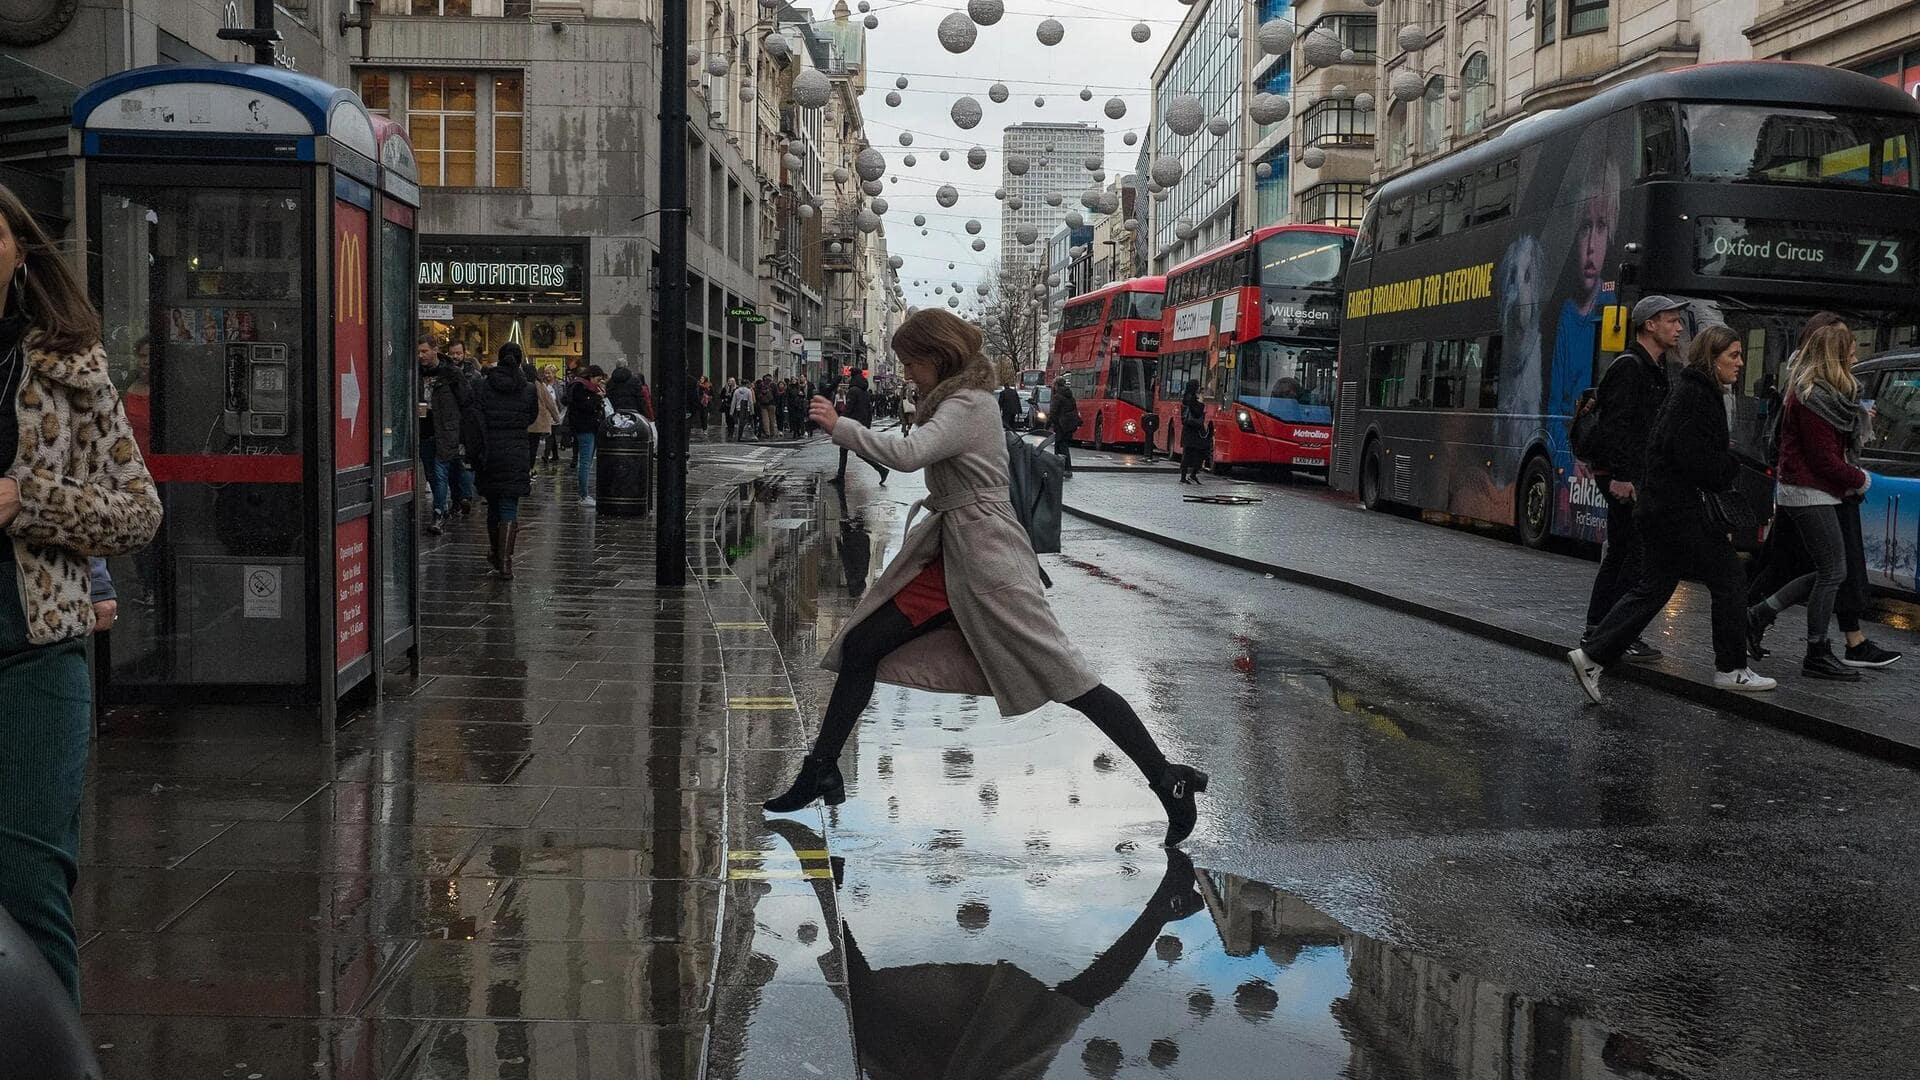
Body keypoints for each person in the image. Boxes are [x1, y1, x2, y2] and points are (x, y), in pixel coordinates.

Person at [765, 309, 1209, 847]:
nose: (907, 372)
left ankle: (1167, 778)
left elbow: (909, 455)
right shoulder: (956, 401)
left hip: (988, 558)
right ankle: (822, 768)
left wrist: (842, 426)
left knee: (1067, 678)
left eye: (912, 362)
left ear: (939, 357)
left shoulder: (967, 404)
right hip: (956, 554)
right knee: (861, 646)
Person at [0, 183, 163, 1003]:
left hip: (29, 657)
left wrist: (28, 501)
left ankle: (50, 1054)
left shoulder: (68, 369)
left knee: (27, 887)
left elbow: (139, 511)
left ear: (18, 253)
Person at [1570, 325, 1776, 702]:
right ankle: (1732, 668)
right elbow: (1692, 457)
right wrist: (1728, 467)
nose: (1740, 363)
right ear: (1712, 358)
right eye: (1733, 355)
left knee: (1653, 588)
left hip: (1661, 509)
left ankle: (1592, 655)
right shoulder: (1698, 395)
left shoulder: (1691, 389)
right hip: (1679, 512)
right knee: (1730, 578)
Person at [1745, 314, 1901, 670]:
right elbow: (1822, 457)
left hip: (1820, 491)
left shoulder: (1830, 394)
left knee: (1824, 570)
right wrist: (1860, 479)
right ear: (1834, 353)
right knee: (1828, 571)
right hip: (1811, 492)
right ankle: (1814, 649)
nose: (1856, 357)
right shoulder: (1812, 396)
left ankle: (1758, 616)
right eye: (1850, 350)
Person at [1580, 296, 1686, 663]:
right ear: (1649, 325)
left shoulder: (1656, 367)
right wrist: (1622, 477)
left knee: (1624, 551)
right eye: (1671, 320)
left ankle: (1600, 628)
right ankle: (1614, 633)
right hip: (1622, 477)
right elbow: (1617, 428)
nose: (1679, 327)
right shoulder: (1630, 366)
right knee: (1635, 555)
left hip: (1633, 475)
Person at [467, 344, 538, 578]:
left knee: (493, 503)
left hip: (489, 451)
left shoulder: (483, 385)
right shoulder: (528, 389)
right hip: (517, 452)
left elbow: (474, 415)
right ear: (519, 360)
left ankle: (496, 553)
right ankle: (506, 561)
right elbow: (531, 417)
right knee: (509, 504)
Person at [418, 335, 471, 536]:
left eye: (424, 351)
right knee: (432, 475)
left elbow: (466, 402)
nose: (421, 355)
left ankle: (439, 513)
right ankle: (453, 502)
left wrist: (463, 434)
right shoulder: (415, 373)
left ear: (435, 350)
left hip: (447, 432)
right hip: (424, 431)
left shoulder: (451, 373)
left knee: (440, 473)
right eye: (418, 352)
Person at [833, 370, 891, 486]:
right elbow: (869, 410)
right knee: (846, 449)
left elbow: (848, 408)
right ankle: (840, 476)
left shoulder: (853, 391)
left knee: (854, 451)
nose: (848, 379)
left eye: (849, 376)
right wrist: (867, 425)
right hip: (861, 424)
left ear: (853, 377)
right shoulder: (864, 391)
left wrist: (840, 420)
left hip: (852, 424)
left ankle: (881, 470)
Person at [567, 365, 607, 507]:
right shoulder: (580, 387)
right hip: (585, 428)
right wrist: (598, 398)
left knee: (587, 461)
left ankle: (584, 494)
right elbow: (585, 406)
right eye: (597, 379)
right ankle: (583, 495)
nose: (598, 382)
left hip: (590, 427)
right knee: (585, 462)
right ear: (591, 376)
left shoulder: (585, 387)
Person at [528, 366, 563, 473]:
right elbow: (550, 402)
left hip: (524, 421)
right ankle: (530, 468)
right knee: (533, 446)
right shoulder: (539, 385)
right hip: (537, 421)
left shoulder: (521, 384)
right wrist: (557, 417)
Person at [1178, 380, 1206, 485]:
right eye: (1197, 386)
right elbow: (1197, 413)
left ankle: (1188, 476)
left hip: (1189, 430)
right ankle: (1188, 476)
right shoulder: (1191, 398)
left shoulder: (1187, 397)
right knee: (1197, 452)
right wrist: (1201, 402)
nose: (1198, 388)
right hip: (1192, 430)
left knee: (1189, 453)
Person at [1050, 376, 1079, 477]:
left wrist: (1047, 425)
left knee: (1061, 447)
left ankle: (1065, 469)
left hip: (1060, 425)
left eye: (1053, 385)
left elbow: (1053, 412)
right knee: (1061, 445)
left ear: (1056, 385)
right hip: (1068, 425)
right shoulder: (1070, 396)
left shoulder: (1057, 397)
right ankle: (1061, 468)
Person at [730, 377, 754, 441]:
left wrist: (731, 411)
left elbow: (733, 402)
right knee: (745, 423)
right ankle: (743, 435)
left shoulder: (736, 391)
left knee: (739, 423)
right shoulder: (748, 391)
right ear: (746, 384)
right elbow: (751, 402)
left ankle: (739, 435)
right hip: (747, 409)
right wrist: (752, 411)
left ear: (741, 384)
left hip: (738, 409)